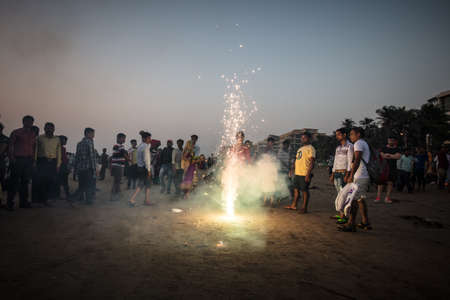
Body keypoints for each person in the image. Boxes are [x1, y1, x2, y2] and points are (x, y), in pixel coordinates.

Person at [338, 127, 371, 232]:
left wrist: (351, 175)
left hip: (359, 176)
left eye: (352, 134)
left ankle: (351, 224)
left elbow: (356, 160)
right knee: (360, 199)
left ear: (358, 135)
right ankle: (365, 222)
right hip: (363, 176)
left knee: (353, 201)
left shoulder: (358, 144)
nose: (350, 136)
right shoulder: (363, 143)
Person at [7, 115, 36, 210]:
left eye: (31, 122)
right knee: (14, 182)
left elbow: (33, 147)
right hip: (17, 160)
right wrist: (11, 158)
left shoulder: (32, 134)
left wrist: (32, 160)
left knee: (25, 182)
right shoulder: (16, 132)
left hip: (28, 161)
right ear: (23, 122)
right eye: (27, 121)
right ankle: (9, 203)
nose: (29, 123)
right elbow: (10, 145)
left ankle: (23, 202)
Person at [285, 132, 315, 214]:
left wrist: (308, 174)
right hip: (297, 173)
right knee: (296, 190)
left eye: (304, 138)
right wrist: (292, 169)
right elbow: (296, 160)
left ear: (309, 139)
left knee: (304, 191)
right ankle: (294, 205)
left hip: (304, 173)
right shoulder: (300, 149)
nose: (302, 139)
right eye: (302, 138)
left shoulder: (311, 148)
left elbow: (312, 162)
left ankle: (304, 208)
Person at [34, 122, 61, 206]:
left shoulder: (57, 139)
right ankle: (41, 200)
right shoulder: (39, 138)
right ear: (44, 129)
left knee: (51, 181)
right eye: (47, 128)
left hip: (52, 162)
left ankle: (48, 199)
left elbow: (59, 152)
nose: (49, 130)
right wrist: (34, 162)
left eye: (51, 128)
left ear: (54, 129)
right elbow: (35, 151)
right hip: (42, 161)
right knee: (41, 181)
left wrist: (58, 164)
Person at [128, 131, 152, 207]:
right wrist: (148, 170)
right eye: (148, 138)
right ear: (145, 138)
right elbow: (146, 159)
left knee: (146, 184)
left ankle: (146, 200)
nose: (150, 139)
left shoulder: (140, 146)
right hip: (145, 168)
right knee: (143, 184)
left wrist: (142, 134)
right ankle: (134, 199)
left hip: (140, 167)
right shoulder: (145, 147)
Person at [75, 128, 96, 204]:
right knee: (88, 185)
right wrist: (94, 169)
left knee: (81, 184)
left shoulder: (79, 143)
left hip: (80, 168)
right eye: (92, 134)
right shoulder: (89, 142)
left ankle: (80, 198)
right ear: (88, 133)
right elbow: (91, 157)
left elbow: (77, 157)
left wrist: (76, 169)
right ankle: (88, 200)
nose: (93, 136)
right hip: (88, 168)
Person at [376, 137, 401, 204]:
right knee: (380, 183)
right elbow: (382, 156)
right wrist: (392, 156)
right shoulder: (384, 148)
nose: (391, 141)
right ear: (388, 140)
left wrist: (389, 155)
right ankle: (378, 198)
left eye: (392, 140)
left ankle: (387, 198)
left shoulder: (397, 149)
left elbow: (398, 156)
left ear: (395, 141)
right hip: (383, 168)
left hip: (392, 168)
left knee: (390, 183)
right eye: (390, 140)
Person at [330, 128, 354, 193]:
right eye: (336, 135)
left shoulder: (350, 146)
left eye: (339, 135)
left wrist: (347, 174)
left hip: (344, 173)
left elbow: (350, 162)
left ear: (344, 135)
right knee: (339, 193)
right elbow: (335, 162)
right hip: (337, 173)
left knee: (344, 193)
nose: (337, 136)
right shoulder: (338, 148)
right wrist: (332, 174)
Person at [110, 133, 129, 201]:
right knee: (117, 181)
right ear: (119, 138)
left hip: (117, 165)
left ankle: (116, 193)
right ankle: (114, 195)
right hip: (118, 166)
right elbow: (124, 154)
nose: (124, 140)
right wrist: (129, 159)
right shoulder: (119, 146)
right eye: (123, 138)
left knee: (116, 181)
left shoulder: (117, 146)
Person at [276, 139, 293, 206]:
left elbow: (290, 160)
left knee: (288, 184)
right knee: (280, 184)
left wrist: (290, 168)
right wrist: (288, 167)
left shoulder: (289, 152)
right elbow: (281, 161)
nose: (287, 146)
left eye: (288, 145)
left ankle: (288, 196)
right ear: (284, 144)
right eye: (286, 144)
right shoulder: (280, 151)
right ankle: (278, 198)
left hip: (286, 171)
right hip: (280, 170)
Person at [58, 135, 70, 200]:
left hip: (62, 167)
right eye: (65, 140)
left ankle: (65, 195)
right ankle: (67, 195)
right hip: (62, 167)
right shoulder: (61, 149)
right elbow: (64, 159)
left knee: (61, 182)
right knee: (64, 183)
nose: (66, 142)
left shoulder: (62, 148)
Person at [0, 122, 9, 202]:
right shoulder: (5, 138)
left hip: (1, 162)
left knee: (1, 181)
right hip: (2, 162)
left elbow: (2, 151)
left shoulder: (4, 139)